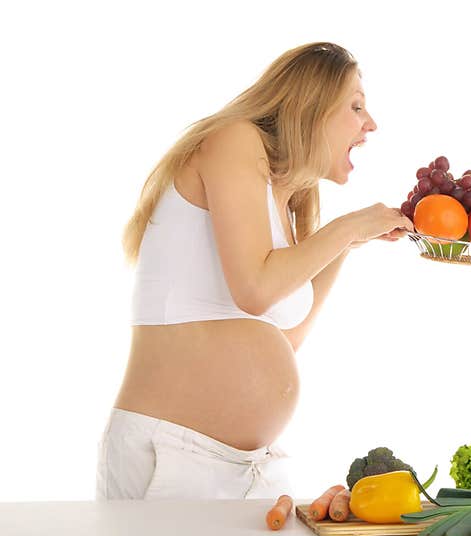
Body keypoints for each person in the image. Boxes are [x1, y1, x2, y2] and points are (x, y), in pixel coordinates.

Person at [96, 42, 413, 500]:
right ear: (311, 105)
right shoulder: (235, 140)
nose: (370, 124)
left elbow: (286, 335)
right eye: (356, 106)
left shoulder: (288, 197)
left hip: (249, 469)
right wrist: (345, 229)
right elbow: (255, 288)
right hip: (172, 455)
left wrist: (349, 245)